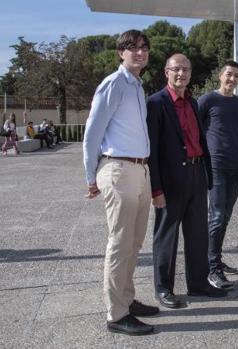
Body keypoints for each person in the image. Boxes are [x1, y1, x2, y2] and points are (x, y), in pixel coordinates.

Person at [82, 29, 158, 336]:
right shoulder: (113, 84)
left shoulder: (137, 86)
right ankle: (116, 314)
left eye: (144, 48)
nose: (139, 52)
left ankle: (126, 300)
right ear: (120, 53)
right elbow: (92, 134)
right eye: (132, 48)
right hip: (118, 169)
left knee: (135, 242)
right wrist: (90, 177)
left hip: (139, 170)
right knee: (120, 242)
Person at [147, 54, 228, 309]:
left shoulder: (192, 102)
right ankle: (163, 288)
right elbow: (153, 151)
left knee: (197, 234)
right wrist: (156, 188)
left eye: (186, 70)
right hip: (171, 180)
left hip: (196, 174)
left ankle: (198, 283)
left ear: (191, 74)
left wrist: (206, 175)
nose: (181, 74)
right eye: (176, 69)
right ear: (166, 72)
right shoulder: (155, 103)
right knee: (166, 236)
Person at [198, 61, 238, 289]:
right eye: (229, 74)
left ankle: (216, 258)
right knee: (217, 217)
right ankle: (211, 269)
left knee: (225, 217)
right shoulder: (207, 100)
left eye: (236, 76)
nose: (232, 79)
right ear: (220, 76)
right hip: (216, 166)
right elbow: (195, 131)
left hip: (236, 167)